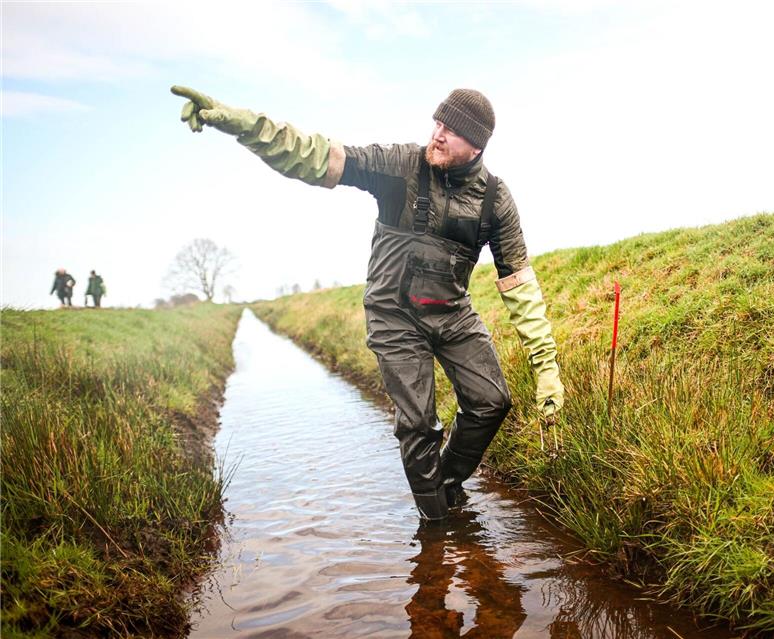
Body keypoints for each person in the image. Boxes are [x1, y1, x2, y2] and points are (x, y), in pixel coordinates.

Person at [172, 85, 564, 520]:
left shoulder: (495, 199)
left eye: (450, 131)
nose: (437, 134)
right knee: (419, 425)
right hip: (394, 317)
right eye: (437, 122)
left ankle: (447, 484)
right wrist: (241, 124)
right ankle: (435, 532)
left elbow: (520, 288)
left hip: (453, 314)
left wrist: (546, 370)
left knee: (492, 402)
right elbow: (312, 154)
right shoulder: (399, 166)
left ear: (477, 145)